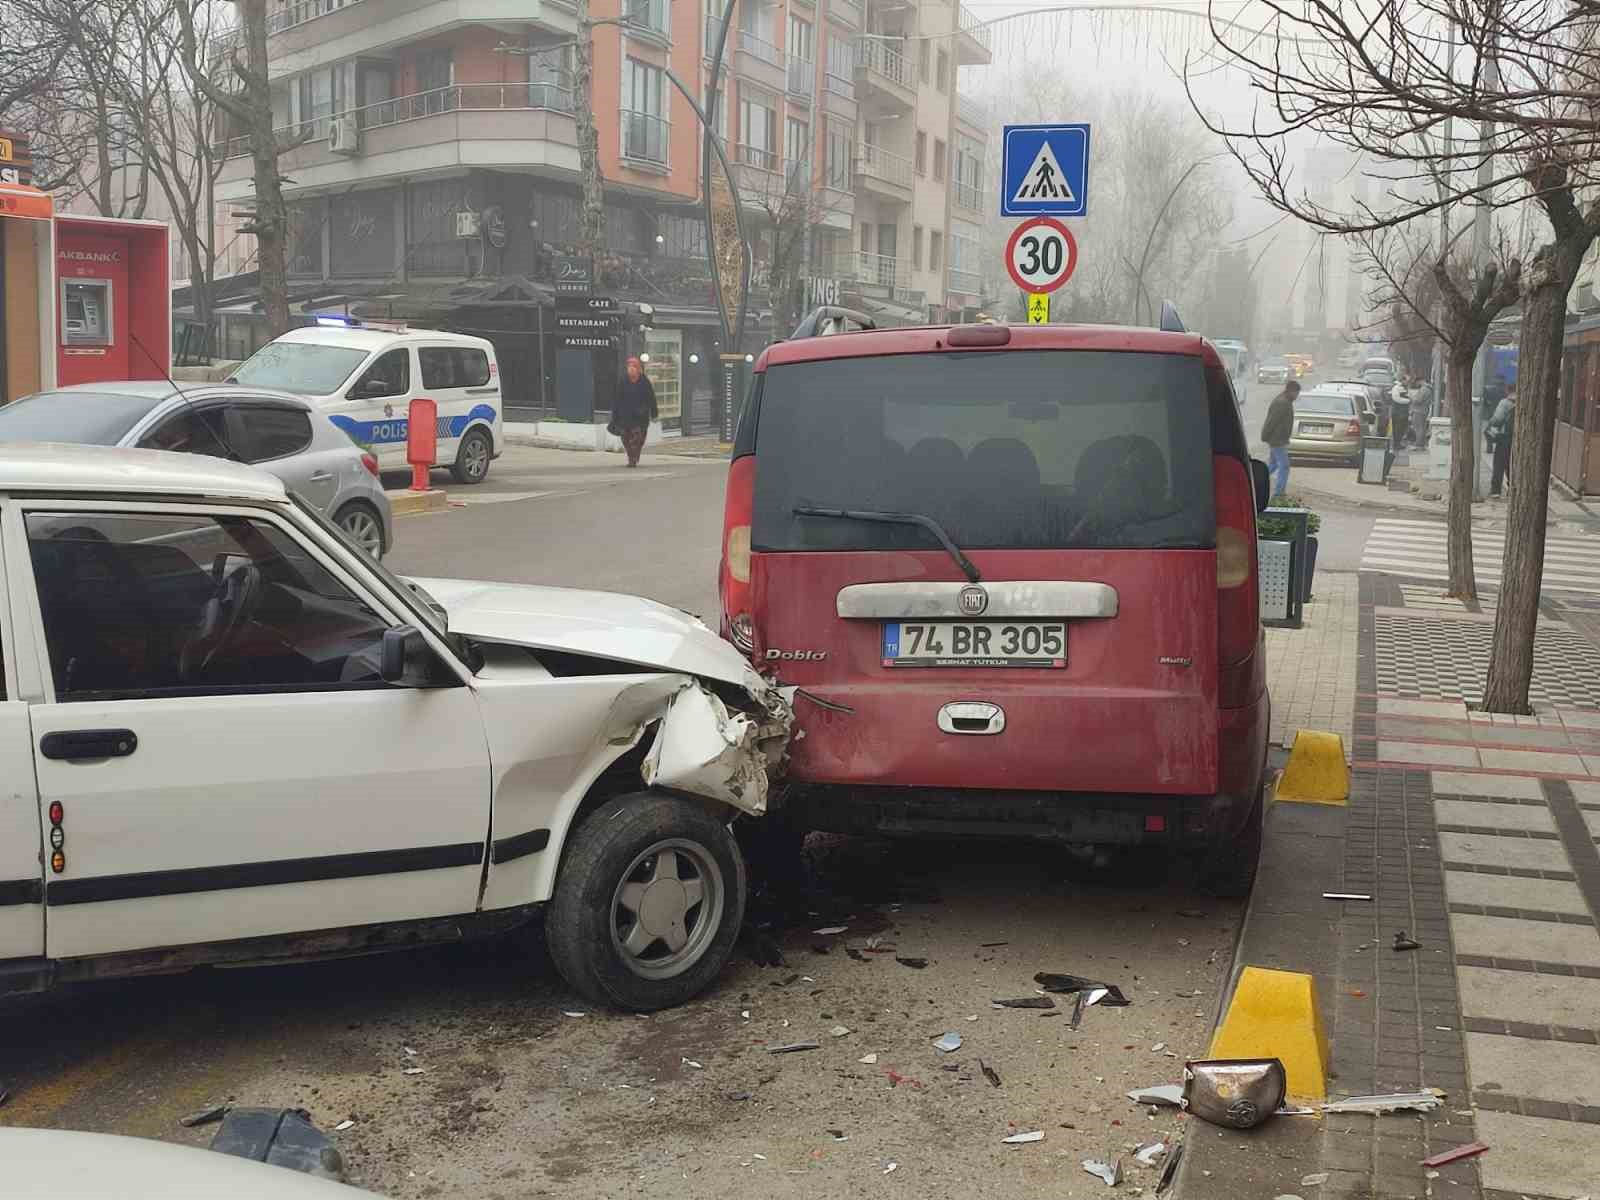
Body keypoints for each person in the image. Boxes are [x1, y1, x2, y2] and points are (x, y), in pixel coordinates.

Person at [613, 355, 658, 468]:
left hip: (640, 416)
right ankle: (631, 458)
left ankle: (635, 454)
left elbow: (651, 398)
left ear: (638, 368)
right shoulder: (623, 380)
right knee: (625, 438)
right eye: (629, 367)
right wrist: (615, 414)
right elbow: (617, 398)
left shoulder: (644, 381)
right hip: (626, 415)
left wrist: (654, 413)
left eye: (633, 367)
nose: (631, 369)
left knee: (638, 438)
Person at [1261, 379, 1299, 498]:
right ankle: (1279, 493)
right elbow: (1271, 421)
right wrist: (1265, 435)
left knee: (1273, 464)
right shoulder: (1282, 403)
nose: (1297, 396)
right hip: (1277, 440)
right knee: (1284, 465)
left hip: (1279, 439)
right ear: (1291, 391)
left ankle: (1255, 479)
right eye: (1296, 393)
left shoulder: (1285, 401)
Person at [1486, 390, 1514, 498]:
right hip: (1520, 439)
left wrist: (1490, 425)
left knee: (1499, 464)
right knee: (1513, 464)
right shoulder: (1526, 402)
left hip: (1505, 438)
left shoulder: (1505, 403)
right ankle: (1513, 489)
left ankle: (1495, 491)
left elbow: (1497, 420)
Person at [1390, 374, 1413, 451]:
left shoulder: (1405, 388)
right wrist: (1408, 401)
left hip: (1404, 413)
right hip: (1397, 413)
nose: (1408, 382)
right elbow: (1396, 399)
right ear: (1403, 380)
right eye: (1407, 381)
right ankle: (1396, 444)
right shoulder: (1396, 388)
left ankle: (1398, 443)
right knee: (1397, 429)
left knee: (1402, 429)